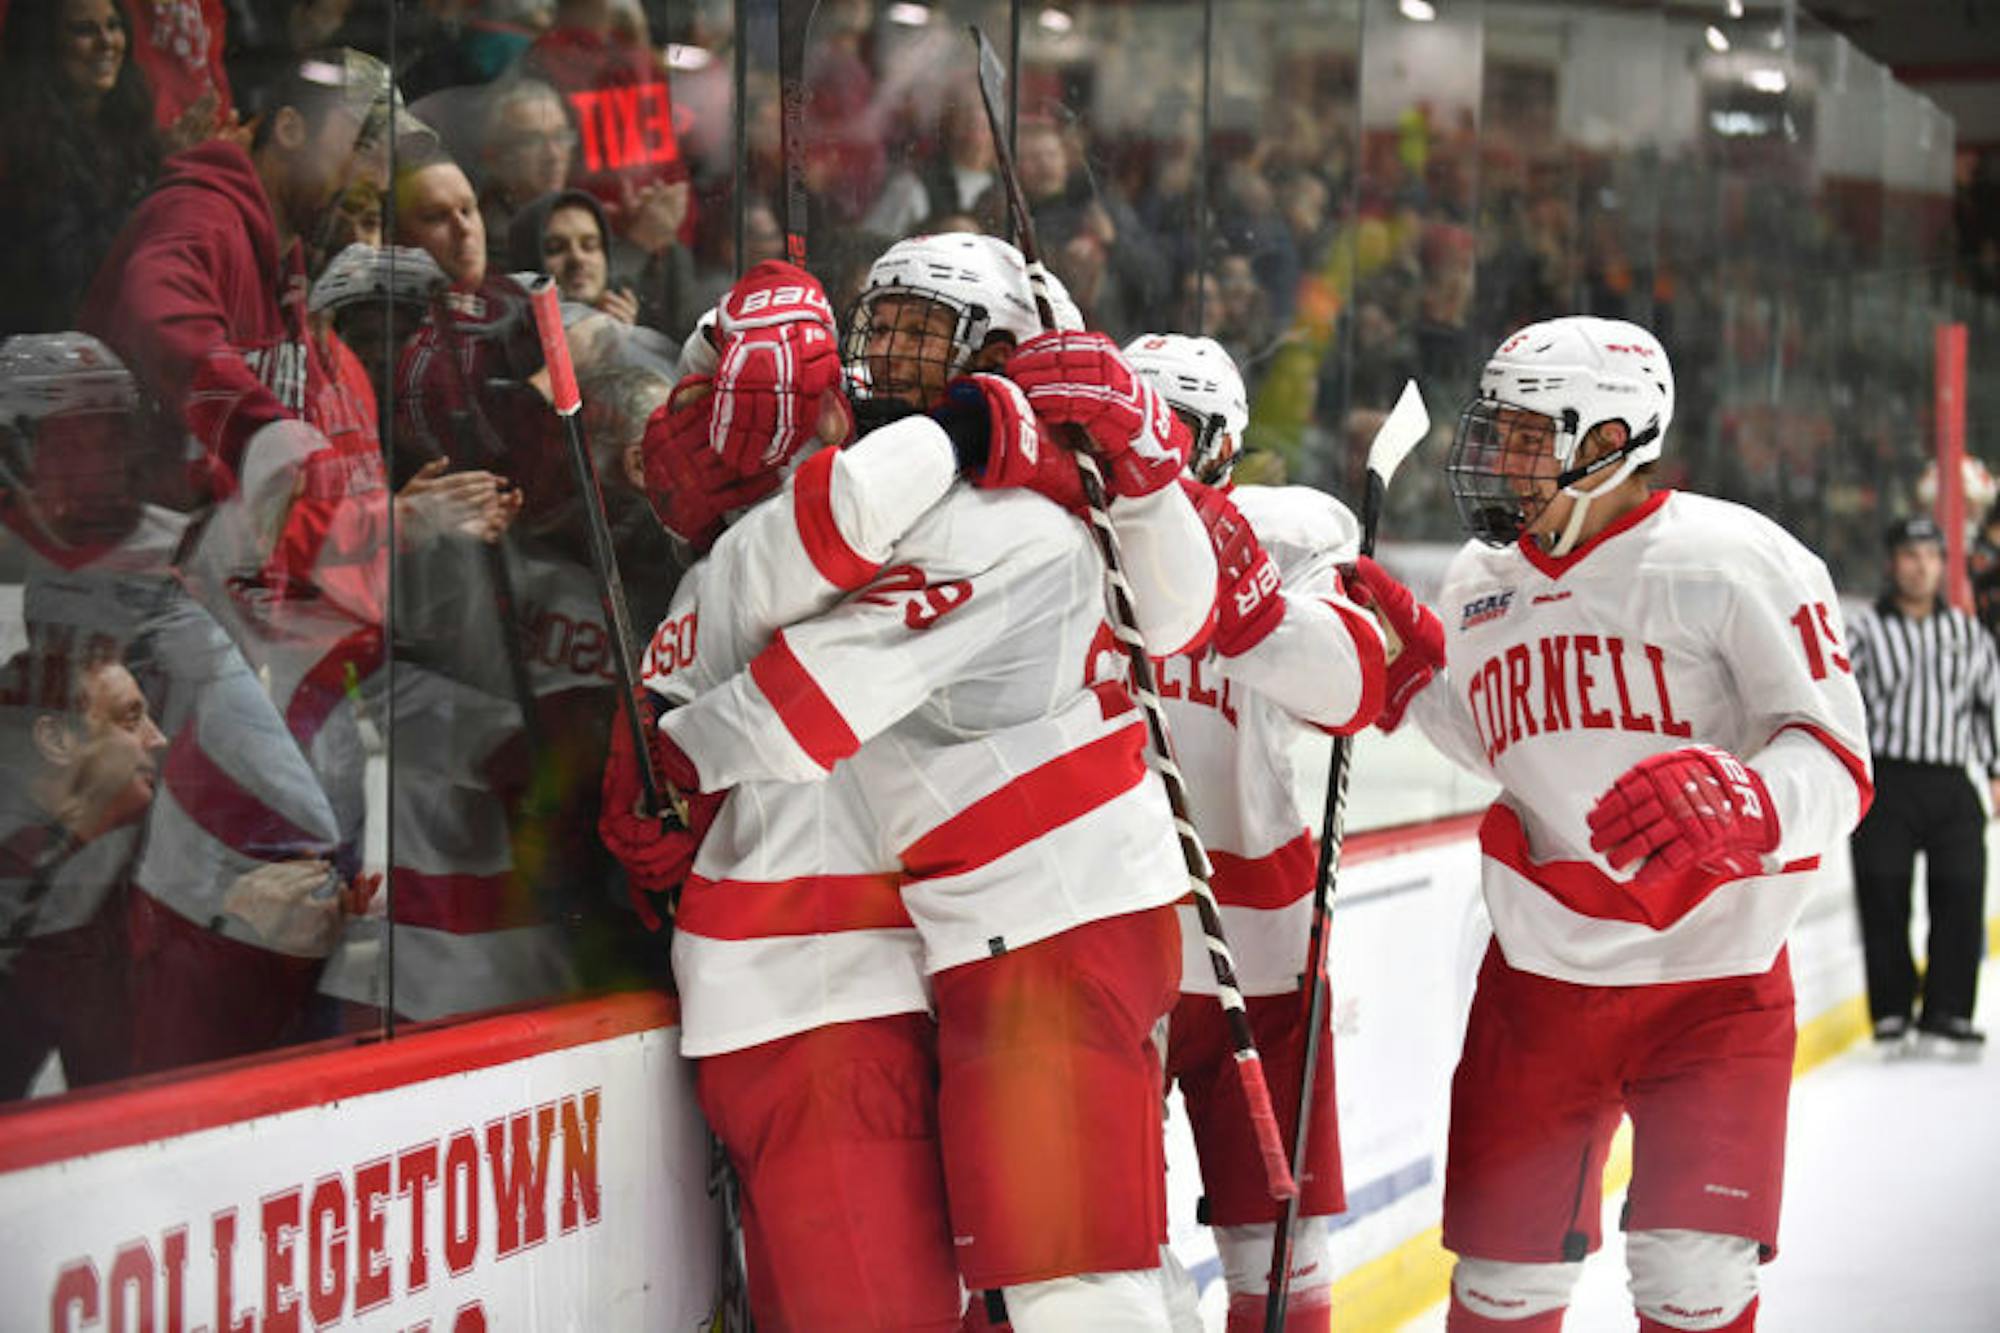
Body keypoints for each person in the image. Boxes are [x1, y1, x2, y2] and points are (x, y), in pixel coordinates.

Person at [616, 234, 1218, 1329]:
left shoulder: (1000, 521)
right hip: (953, 957)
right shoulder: (921, 509)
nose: (884, 360)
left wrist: (678, 752)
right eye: (876, 329)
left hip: (1027, 941)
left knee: (1070, 1279)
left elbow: (811, 695)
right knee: (1066, 1276)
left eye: (917, 336)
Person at [1358, 316, 1871, 1333]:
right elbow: (1500, 740)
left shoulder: (1735, 561)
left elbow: (1835, 757)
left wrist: (1752, 797)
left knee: (1692, 1284)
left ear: (1604, 439)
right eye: (1492, 428)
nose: (1494, 455)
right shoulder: (1477, 580)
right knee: (1499, 1288)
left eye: (1520, 433)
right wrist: (1410, 672)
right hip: (1538, 983)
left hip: (1712, 984)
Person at [1124, 333, 1390, 1330]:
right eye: (1122, 421)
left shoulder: (1284, 536)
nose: (1136, 451)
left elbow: (1346, 691)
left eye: (1169, 428)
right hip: (1116, 939)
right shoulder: (1058, 541)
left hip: (1262, 952)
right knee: (1107, 1253)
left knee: (1279, 1252)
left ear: (1222, 447)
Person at [1844, 514, 1998, 1054]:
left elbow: (1989, 703)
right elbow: (1842, 703)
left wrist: (1997, 770)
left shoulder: (1966, 632)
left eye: (1931, 555)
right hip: (1888, 777)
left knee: (1961, 888)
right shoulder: (1863, 630)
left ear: (1942, 564)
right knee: (1883, 891)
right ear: (1894, 563)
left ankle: (1948, 1011)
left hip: (1953, 779)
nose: (1921, 565)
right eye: (1911, 555)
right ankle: (1891, 1011)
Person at [0, 632, 164, 1098]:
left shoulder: (79, 868)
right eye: (131, 718)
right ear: (55, 739)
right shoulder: (22, 887)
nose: (158, 737)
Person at [0, 0, 164, 335]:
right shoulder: (19, 149)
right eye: (84, 30)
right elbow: (65, 274)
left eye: (114, 25)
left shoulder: (133, 133)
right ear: (44, 45)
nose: (107, 42)